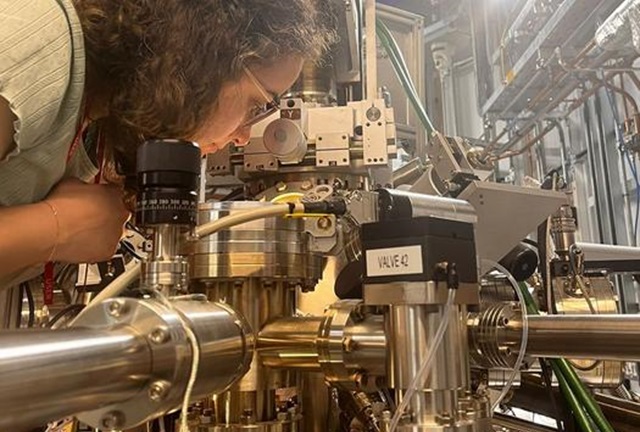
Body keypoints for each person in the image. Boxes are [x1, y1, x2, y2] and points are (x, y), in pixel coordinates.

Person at [0, 0, 335, 283]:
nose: (244, 135)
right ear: (208, 54)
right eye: (257, 104)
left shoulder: (93, 121)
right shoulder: (40, 49)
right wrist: (58, 226)